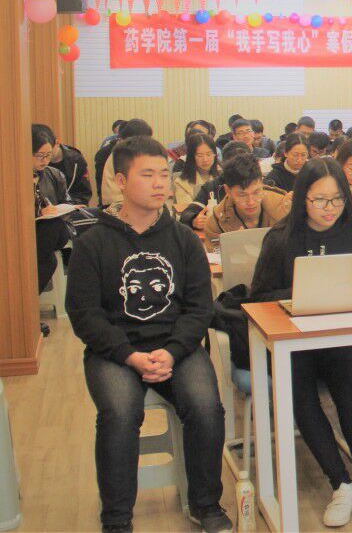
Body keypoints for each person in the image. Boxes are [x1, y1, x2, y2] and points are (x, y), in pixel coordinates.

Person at [65, 136, 231, 533]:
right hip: (115, 353)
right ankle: (116, 518)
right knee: (120, 414)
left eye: (164, 174)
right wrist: (129, 355)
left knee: (206, 407)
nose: (160, 183)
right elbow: (84, 315)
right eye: (148, 175)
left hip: (177, 348)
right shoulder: (93, 243)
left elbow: (199, 309)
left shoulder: (183, 239)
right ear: (121, 181)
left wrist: (172, 351)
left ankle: (206, 504)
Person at [248, 158, 352, 526]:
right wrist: (300, 295)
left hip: (341, 334)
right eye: (320, 200)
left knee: (347, 386)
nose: (330, 208)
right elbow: (258, 297)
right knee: (299, 393)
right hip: (293, 339)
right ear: (302, 198)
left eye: (337, 199)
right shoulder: (281, 239)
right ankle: (340, 483)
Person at [202, 153, 291, 252]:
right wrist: (232, 246)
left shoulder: (284, 208)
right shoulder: (216, 222)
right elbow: (215, 258)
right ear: (228, 191)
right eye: (242, 195)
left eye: (256, 192)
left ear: (262, 183)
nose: (251, 202)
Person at [32, 124, 74, 295]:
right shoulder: (15, 177)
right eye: (39, 155)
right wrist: (38, 213)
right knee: (49, 262)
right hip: (30, 232)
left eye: (48, 155)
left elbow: (66, 202)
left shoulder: (54, 175)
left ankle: (27, 300)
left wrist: (57, 210)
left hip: (54, 229)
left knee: (53, 226)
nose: (44, 160)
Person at [177, 142, 250, 232]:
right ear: (224, 165)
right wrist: (194, 220)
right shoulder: (212, 187)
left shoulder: (259, 186)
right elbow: (187, 214)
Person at [99, 119, 155, 209]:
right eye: (141, 141)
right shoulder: (121, 156)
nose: (146, 144)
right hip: (120, 208)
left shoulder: (139, 154)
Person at [40, 123, 93, 206]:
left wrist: (69, 206)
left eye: (48, 153)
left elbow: (84, 192)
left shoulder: (76, 159)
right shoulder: (41, 163)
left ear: (57, 143)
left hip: (73, 206)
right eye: (41, 154)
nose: (45, 158)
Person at [173, 133, 220, 214]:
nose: (205, 159)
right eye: (200, 155)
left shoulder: (223, 175)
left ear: (215, 154)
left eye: (209, 154)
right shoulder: (181, 182)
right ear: (191, 157)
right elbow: (187, 213)